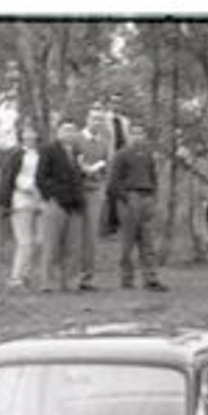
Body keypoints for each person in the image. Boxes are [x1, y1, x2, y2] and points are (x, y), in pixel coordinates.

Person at [107, 120, 166, 291]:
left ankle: (151, 278)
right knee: (128, 242)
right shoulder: (121, 154)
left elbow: (153, 176)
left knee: (147, 241)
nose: (137, 137)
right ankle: (127, 280)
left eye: (140, 133)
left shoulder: (148, 155)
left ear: (144, 136)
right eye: (134, 133)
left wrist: (153, 195)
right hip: (129, 197)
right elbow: (113, 183)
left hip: (147, 196)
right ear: (128, 135)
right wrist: (126, 198)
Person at [34, 118, 86, 292]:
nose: (69, 133)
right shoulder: (49, 150)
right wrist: (52, 196)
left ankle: (70, 283)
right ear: (58, 132)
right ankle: (47, 283)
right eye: (66, 130)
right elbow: (40, 178)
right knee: (51, 246)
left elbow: (80, 178)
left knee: (73, 247)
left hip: (76, 204)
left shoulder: (77, 151)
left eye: (72, 130)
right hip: (56, 203)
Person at [0, 123, 43, 289]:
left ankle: (26, 275)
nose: (29, 136)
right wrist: (29, 188)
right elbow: (11, 178)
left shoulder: (40, 154)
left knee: (39, 241)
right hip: (21, 200)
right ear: (21, 135)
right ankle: (16, 278)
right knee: (25, 241)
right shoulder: (16, 155)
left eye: (32, 132)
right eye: (26, 132)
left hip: (40, 201)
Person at [74, 111, 113, 289]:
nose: (97, 123)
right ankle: (67, 276)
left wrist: (100, 184)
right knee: (71, 233)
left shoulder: (104, 144)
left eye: (101, 120)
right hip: (73, 192)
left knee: (90, 236)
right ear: (87, 120)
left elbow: (106, 169)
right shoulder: (75, 139)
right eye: (94, 119)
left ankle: (86, 278)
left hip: (94, 192)